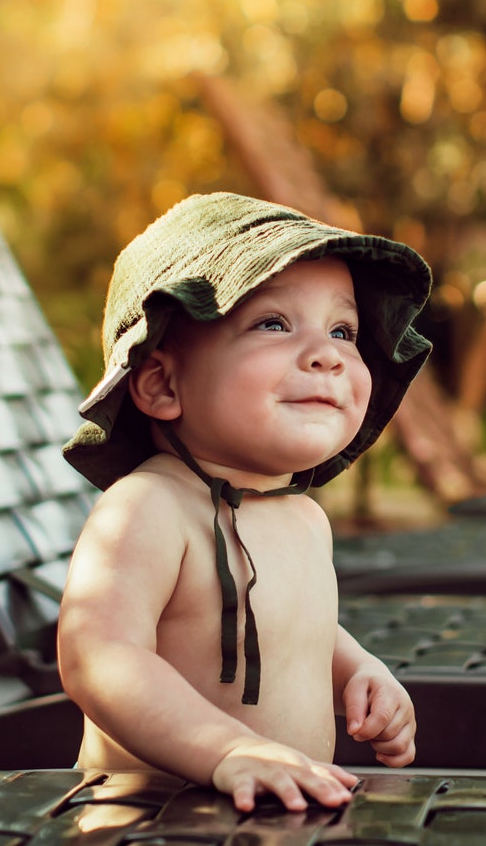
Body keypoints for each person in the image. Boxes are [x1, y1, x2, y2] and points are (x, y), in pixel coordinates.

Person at [58, 192, 432, 813]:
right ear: (162, 383)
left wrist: (358, 669)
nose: (328, 354)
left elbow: (291, 620)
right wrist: (225, 748)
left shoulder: (302, 515)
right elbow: (98, 653)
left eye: (344, 331)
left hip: (279, 816)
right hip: (155, 819)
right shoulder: (149, 507)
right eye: (273, 324)